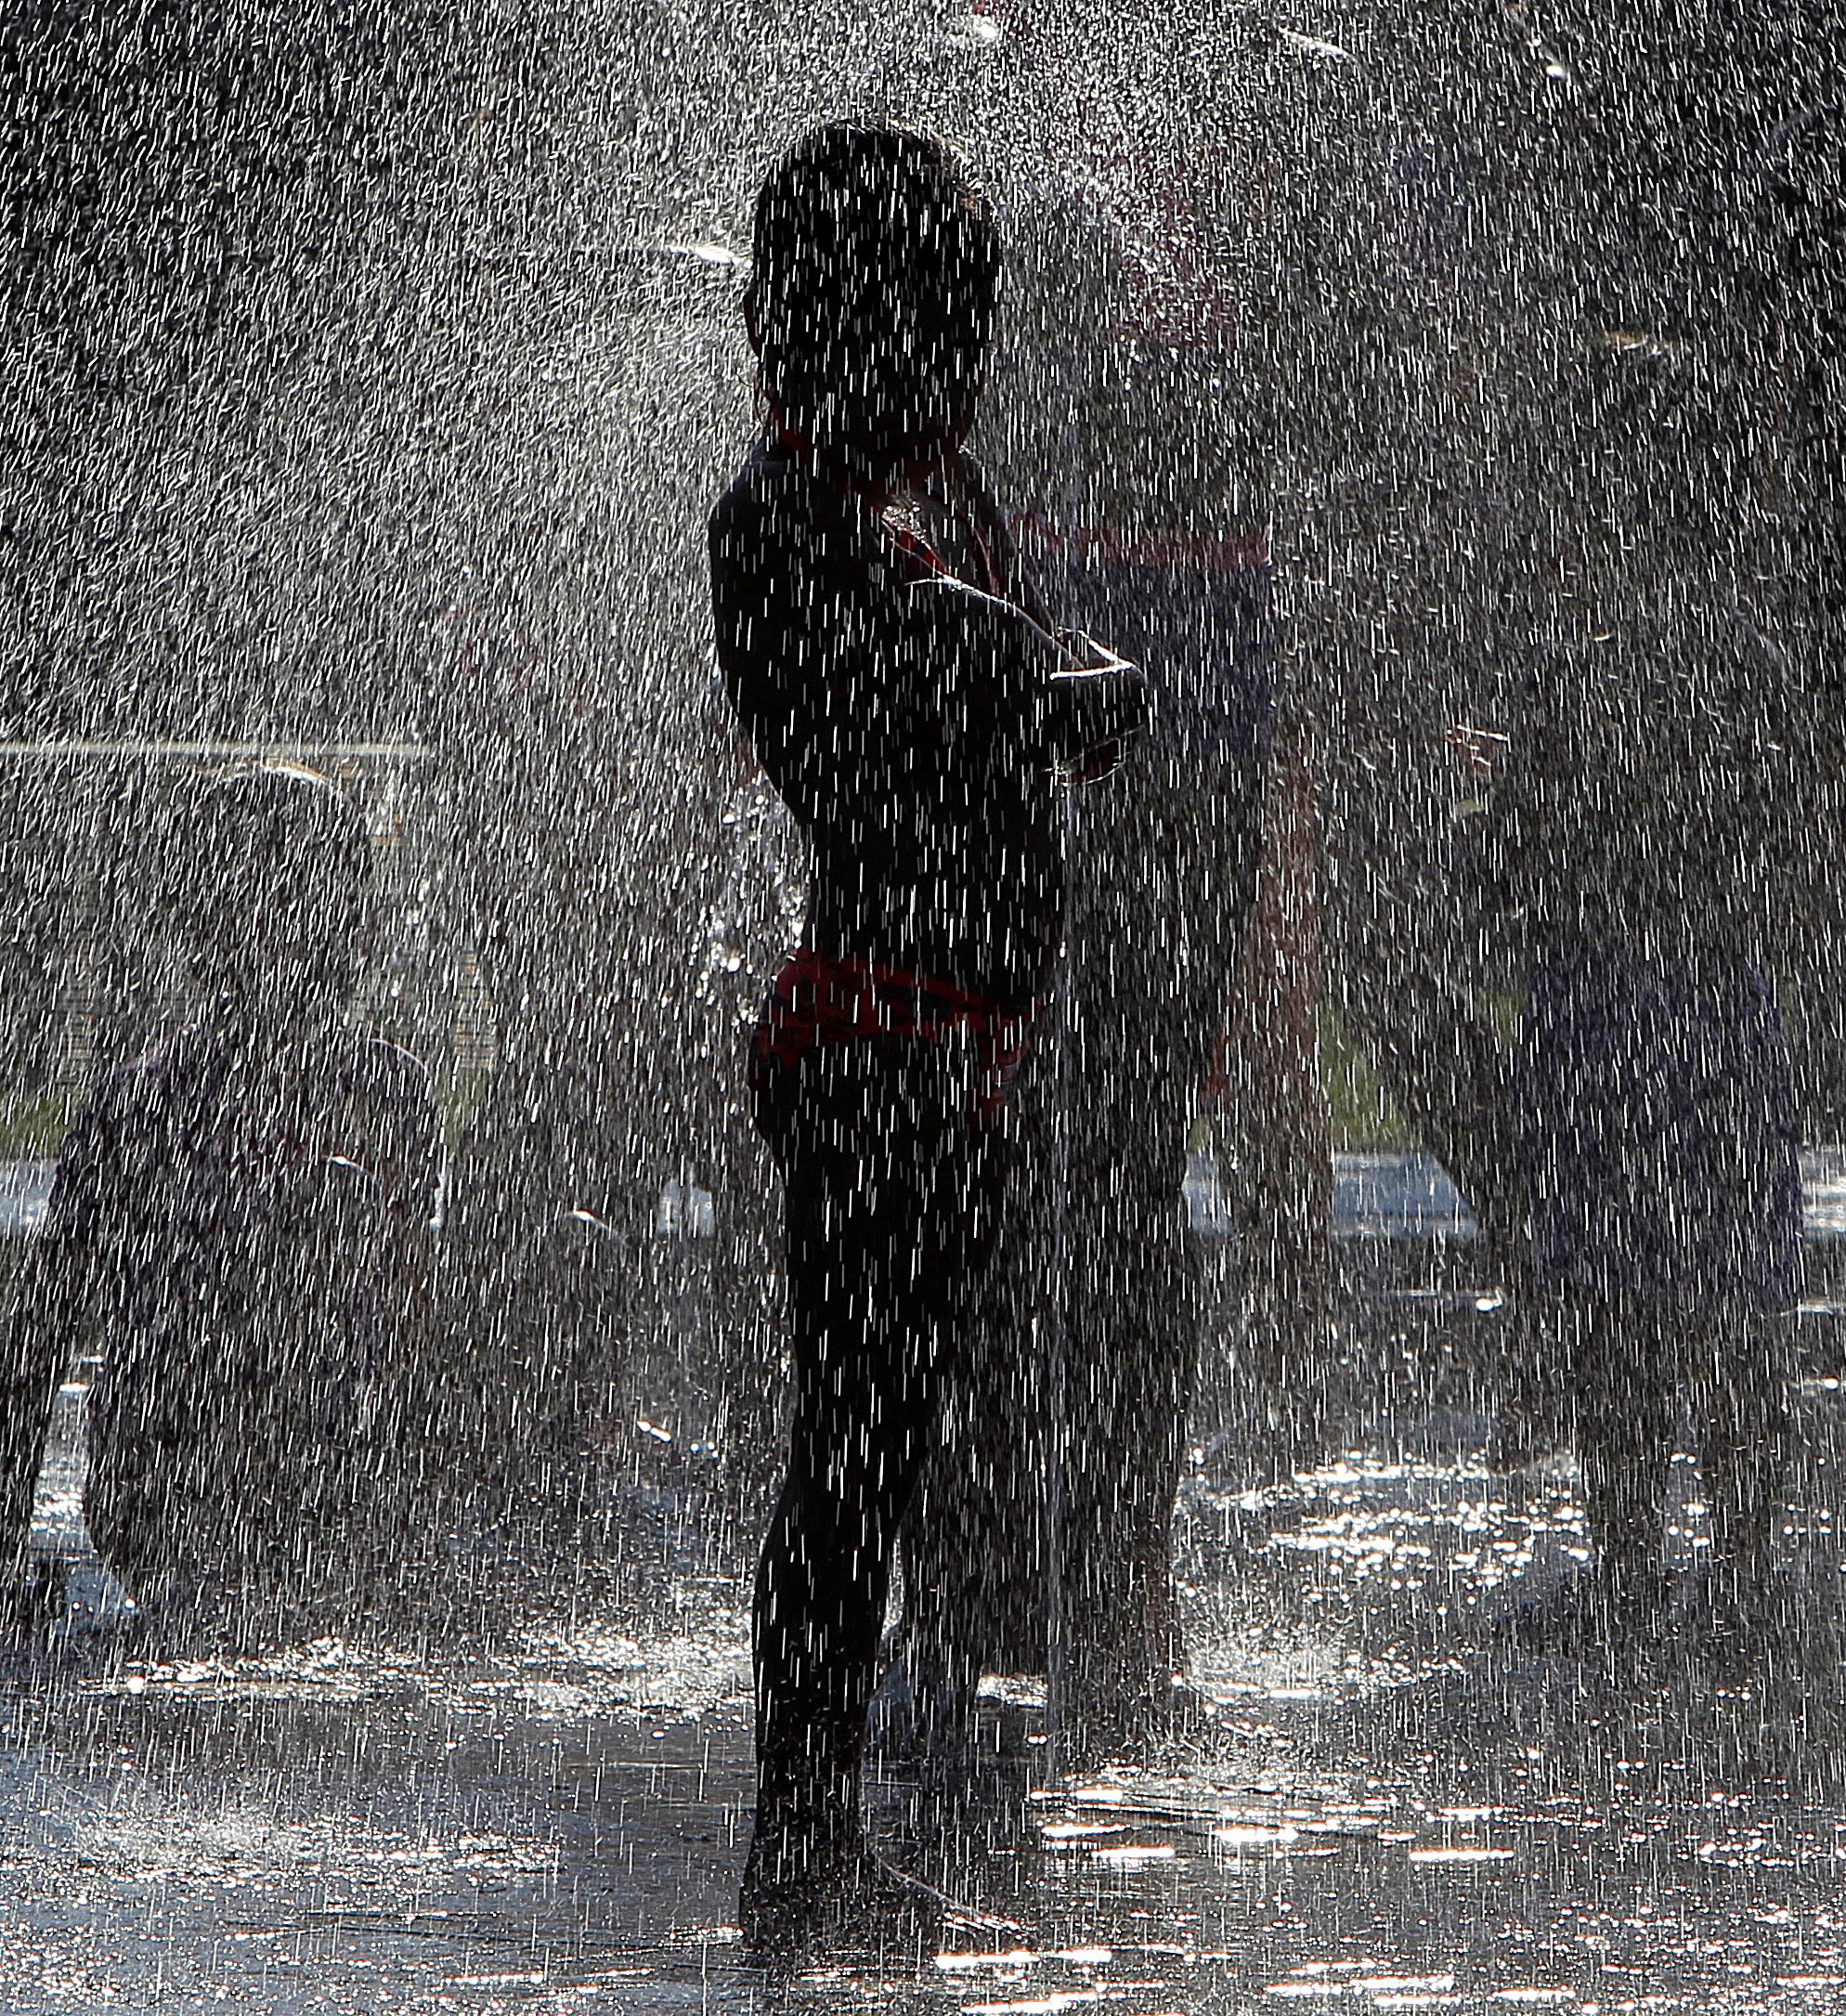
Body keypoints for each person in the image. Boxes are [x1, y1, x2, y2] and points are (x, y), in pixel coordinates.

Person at [709, 120, 1145, 1957]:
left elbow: (999, 661)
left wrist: (1035, 668)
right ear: (846, 327)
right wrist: (1034, 666)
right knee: (855, 1446)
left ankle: (944, 1753)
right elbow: (916, 681)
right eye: (946, 332)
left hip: (962, 1047)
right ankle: (797, 1833)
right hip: (870, 1048)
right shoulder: (781, 517)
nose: (970, 374)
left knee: (944, 1441)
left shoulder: (925, 502)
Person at [0, 761, 441, 1632]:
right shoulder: (153, 1102)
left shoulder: (383, 1091)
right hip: (202, 1490)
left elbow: (31, 1346)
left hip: (279, 1486)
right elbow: (37, 1336)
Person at [1470, 655, 1803, 1645]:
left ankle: (1625, 1566)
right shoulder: (1725, 673)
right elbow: (1778, 834)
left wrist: (1492, 813)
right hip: (1720, 1016)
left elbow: (1500, 874)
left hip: (1600, 1019)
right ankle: (1742, 1564)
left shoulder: (1575, 682)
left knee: (1617, 1315)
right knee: (1735, 1300)